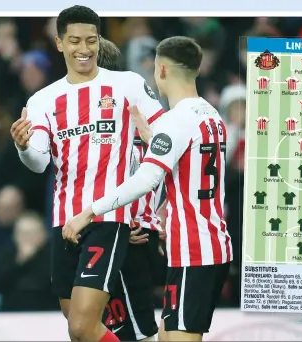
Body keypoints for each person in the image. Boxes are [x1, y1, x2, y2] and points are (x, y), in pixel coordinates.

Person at [9, 6, 165, 342]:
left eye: (91, 40)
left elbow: (163, 142)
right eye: (76, 40)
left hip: (109, 218)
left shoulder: (128, 84)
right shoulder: (43, 99)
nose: (85, 48)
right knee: (80, 329)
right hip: (64, 221)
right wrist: (23, 146)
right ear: (59, 43)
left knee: (83, 325)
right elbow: (39, 162)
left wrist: (148, 214)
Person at [63, 36, 233, 342]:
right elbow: (191, 165)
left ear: (162, 71)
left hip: (195, 249)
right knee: (166, 338)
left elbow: (146, 179)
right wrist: (153, 137)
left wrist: (89, 211)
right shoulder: (211, 115)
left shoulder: (176, 121)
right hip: (205, 244)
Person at [96, 37, 162, 342]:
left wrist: (135, 221)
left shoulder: (122, 114)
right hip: (121, 232)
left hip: (128, 234)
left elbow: (137, 173)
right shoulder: (140, 111)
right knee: (114, 327)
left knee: (135, 331)